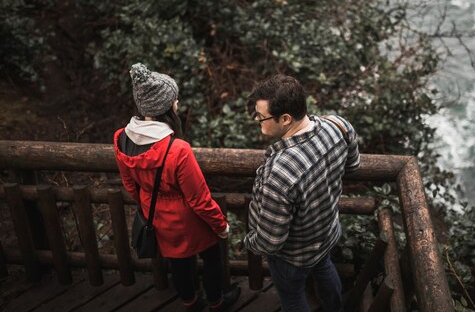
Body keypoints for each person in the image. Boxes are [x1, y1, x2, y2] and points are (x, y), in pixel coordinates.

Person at [114, 63, 240, 312]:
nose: (178, 102)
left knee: (178, 262)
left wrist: (151, 205)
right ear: (164, 107)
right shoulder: (177, 149)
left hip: (157, 216)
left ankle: (190, 302)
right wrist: (220, 224)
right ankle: (216, 303)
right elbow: (199, 199)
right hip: (188, 219)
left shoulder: (121, 138)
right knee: (212, 258)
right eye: (174, 99)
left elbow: (130, 184)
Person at [244, 74, 361, 312]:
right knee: (324, 267)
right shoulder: (339, 125)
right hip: (327, 232)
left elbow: (270, 241)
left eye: (261, 116)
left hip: (293, 256)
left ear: (285, 119)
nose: (257, 119)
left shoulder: (280, 173)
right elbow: (353, 166)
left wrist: (250, 242)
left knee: (293, 298)